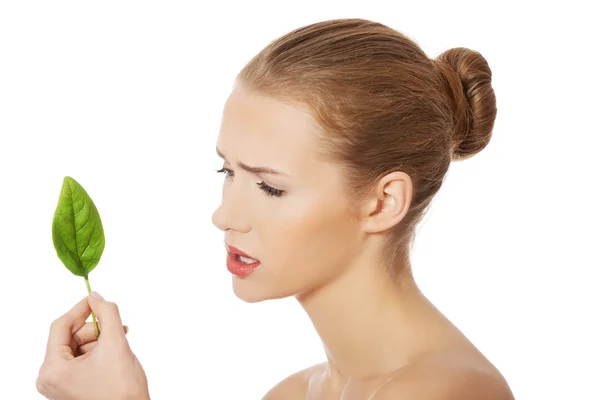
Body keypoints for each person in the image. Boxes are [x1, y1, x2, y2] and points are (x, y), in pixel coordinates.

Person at [37, 18, 514, 399]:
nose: (224, 217)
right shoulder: (289, 393)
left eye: (269, 187)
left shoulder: (448, 392)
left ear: (383, 201)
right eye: (227, 172)